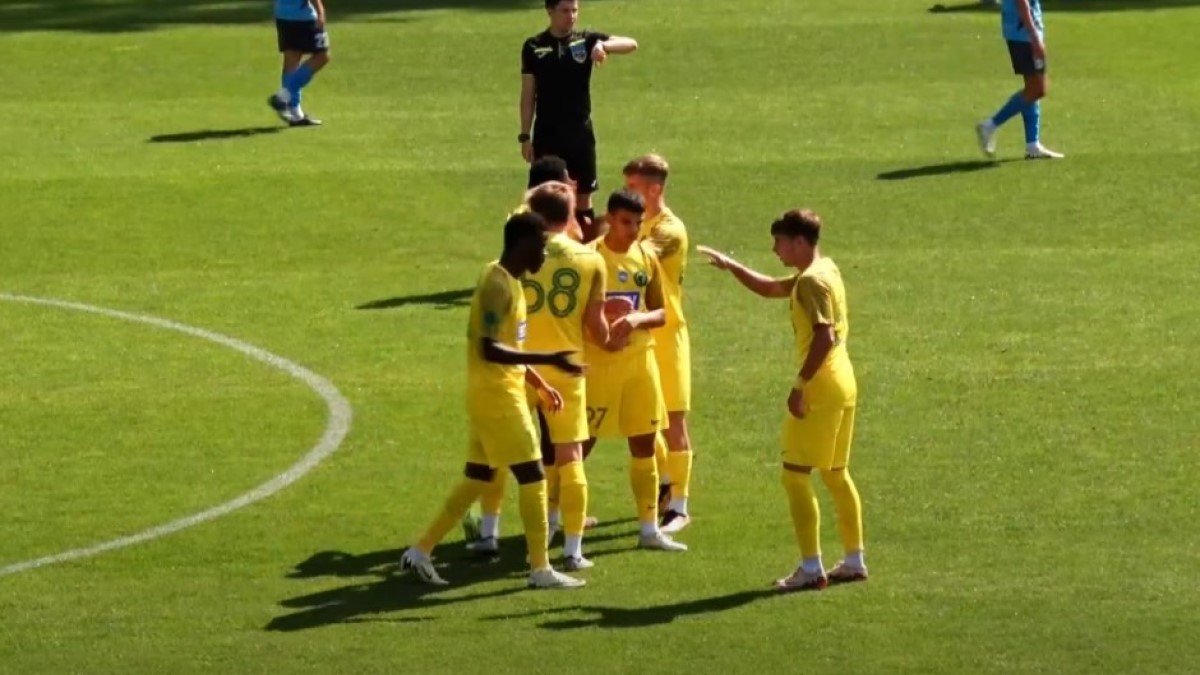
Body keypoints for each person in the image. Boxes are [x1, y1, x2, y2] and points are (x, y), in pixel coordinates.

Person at [400, 212, 586, 590]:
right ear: (523, 244)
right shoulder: (497, 286)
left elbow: (509, 343)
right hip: (498, 398)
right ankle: (540, 569)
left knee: (478, 476)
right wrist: (549, 359)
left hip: (493, 394)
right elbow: (489, 348)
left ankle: (420, 552)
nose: (544, 254)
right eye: (541, 246)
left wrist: (538, 381)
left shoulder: (509, 281)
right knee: (532, 475)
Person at [698, 209, 866, 591]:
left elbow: (824, 336)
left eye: (779, 242)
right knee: (836, 474)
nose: (775, 250)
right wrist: (732, 266)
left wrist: (799, 385)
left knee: (794, 476)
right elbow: (772, 288)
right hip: (844, 383)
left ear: (800, 242)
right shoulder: (825, 270)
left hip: (820, 387)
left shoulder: (810, 282)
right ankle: (854, 560)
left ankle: (811, 568)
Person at [468, 183, 609, 573]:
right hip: (566, 368)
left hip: (516, 370)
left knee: (497, 451)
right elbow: (596, 328)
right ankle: (572, 549)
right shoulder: (591, 259)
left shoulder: (517, 257)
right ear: (571, 214)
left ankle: (488, 532)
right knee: (570, 457)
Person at [582, 189, 687, 552]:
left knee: (643, 443)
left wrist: (636, 319)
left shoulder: (645, 256)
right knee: (580, 444)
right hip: (598, 365)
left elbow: (661, 311)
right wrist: (602, 322)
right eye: (626, 222)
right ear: (610, 218)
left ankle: (648, 529)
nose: (633, 230)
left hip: (640, 364)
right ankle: (555, 519)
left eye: (638, 223)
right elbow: (571, 314)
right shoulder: (590, 257)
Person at [520, 0, 638, 232]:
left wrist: (603, 45)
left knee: (583, 198)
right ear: (550, 11)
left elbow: (631, 44)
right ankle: (542, 247)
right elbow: (527, 95)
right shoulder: (533, 46)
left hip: (579, 134)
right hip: (547, 134)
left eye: (574, 10)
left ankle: (586, 247)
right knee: (543, 198)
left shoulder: (586, 40)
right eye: (565, 10)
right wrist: (524, 136)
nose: (571, 16)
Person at [622, 155, 693, 534]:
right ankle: (666, 482)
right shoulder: (636, 223)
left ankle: (680, 506)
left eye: (632, 187)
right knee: (645, 416)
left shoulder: (669, 229)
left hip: (668, 333)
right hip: (641, 332)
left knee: (674, 420)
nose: (626, 193)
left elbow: (635, 258)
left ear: (655, 189)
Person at [975, 0, 1063, 159]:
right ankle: (990, 125)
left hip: (1021, 31)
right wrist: (1034, 37)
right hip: (1023, 34)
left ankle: (1032, 144)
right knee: (1037, 89)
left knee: (1032, 87)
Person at [268, 0, 330, 127]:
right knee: (322, 56)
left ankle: (295, 115)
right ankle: (284, 96)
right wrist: (320, 11)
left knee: (292, 60)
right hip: (303, 16)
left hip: (283, 15)